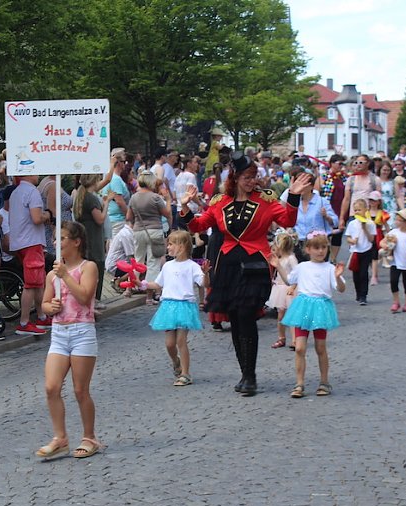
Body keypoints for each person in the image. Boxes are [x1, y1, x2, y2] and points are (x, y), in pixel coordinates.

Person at [180, 151, 305, 397]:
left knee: (247, 316)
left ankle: (250, 376)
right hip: (227, 265)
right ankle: (244, 372)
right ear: (235, 177)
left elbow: (288, 219)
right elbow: (198, 225)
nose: (252, 181)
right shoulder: (219, 202)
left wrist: (293, 195)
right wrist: (184, 206)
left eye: (254, 176)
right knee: (235, 319)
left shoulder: (266, 201)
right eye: (247, 177)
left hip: (255, 264)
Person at [36, 221, 101, 460]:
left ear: (76, 242)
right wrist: (49, 306)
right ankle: (60, 437)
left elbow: (84, 297)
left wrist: (65, 275)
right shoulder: (53, 274)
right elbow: (44, 304)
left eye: (62, 238)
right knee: (51, 387)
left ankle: (89, 437)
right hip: (59, 333)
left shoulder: (88, 267)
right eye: (56, 239)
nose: (57, 243)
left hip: (82, 331)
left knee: (80, 390)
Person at [273, 232, 345, 398]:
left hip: (320, 308)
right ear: (308, 249)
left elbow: (340, 289)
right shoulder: (303, 267)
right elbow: (289, 280)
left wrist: (339, 278)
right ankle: (299, 383)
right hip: (303, 307)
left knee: (320, 347)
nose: (321, 251)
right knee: (299, 348)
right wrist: (278, 266)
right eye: (316, 247)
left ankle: (324, 382)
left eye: (324, 247)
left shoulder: (329, 268)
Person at [143, 230, 205, 386]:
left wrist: (206, 274)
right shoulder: (168, 266)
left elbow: (203, 283)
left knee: (181, 341)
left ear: (182, 246)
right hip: (168, 306)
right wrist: (142, 284)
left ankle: (185, 374)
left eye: (170, 244)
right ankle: (176, 361)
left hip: (184, 306)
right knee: (169, 344)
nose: (168, 247)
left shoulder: (192, 266)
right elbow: (157, 284)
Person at [9, 174, 52, 335]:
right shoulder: (32, 192)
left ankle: (41, 316)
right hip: (31, 241)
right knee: (32, 284)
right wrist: (47, 215)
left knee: (38, 281)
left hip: (20, 241)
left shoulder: (16, 192)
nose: (38, 175)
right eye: (35, 172)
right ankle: (24, 322)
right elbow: (36, 218)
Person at [72, 160, 116, 307]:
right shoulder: (91, 198)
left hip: (86, 235)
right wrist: (107, 202)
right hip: (93, 237)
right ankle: (94, 299)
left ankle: (90, 298)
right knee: (96, 265)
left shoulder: (81, 194)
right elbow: (100, 219)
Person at [127, 170, 172, 305]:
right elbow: (167, 213)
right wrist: (168, 200)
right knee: (153, 263)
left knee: (138, 261)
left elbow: (129, 217)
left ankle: (130, 288)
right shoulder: (155, 198)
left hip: (138, 231)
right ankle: (149, 296)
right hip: (155, 231)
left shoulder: (133, 197)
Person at [383, 208, 406, 313]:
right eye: (396, 220)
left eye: (399, 220)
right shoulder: (394, 232)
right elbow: (383, 241)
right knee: (393, 281)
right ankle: (396, 301)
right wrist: (385, 246)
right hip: (395, 261)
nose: (396, 222)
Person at [267, 232, 298, 349]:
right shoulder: (279, 259)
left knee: (291, 316)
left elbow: (297, 274)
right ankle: (281, 338)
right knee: (280, 316)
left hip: (289, 289)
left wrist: (293, 287)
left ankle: (295, 340)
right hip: (280, 289)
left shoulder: (291, 258)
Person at [345, 199, 377, 305]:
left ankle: (364, 295)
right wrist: (352, 241)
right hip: (355, 251)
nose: (357, 212)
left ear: (365, 210)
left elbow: (372, 239)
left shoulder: (370, 223)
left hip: (366, 250)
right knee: (356, 274)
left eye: (359, 210)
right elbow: (348, 237)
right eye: (355, 210)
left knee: (364, 273)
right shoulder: (352, 224)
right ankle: (358, 293)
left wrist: (365, 228)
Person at [319, 154, 347, 264]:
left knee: (338, 235)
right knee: (327, 233)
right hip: (329, 207)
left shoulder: (344, 177)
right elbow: (320, 190)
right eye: (339, 163)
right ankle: (325, 256)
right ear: (332, 163)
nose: (341, 166)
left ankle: (333, 258)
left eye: (342, 164)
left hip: (340, 207)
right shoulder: (325, 176)